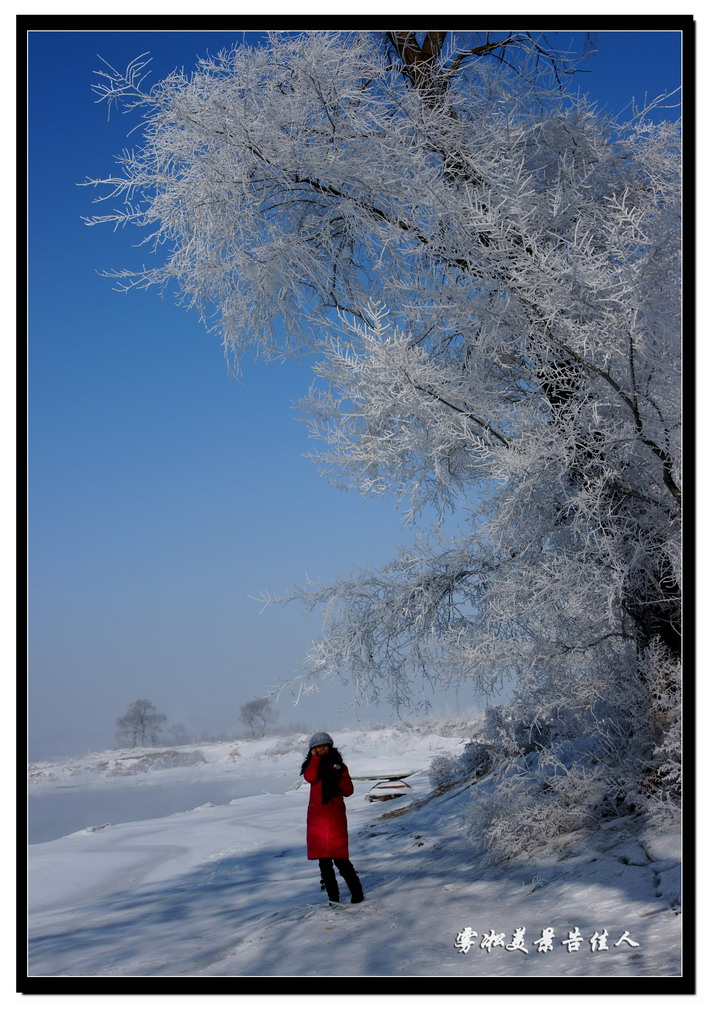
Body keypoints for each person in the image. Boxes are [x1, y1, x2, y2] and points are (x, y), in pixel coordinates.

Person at [300, 732, 364, 904]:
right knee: (325, 864)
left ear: (330, 746)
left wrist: (337, 777)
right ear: (312, 750)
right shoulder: (311, 765)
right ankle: (333, 898)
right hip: (318, 819)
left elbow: (348, 791)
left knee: (342, 860)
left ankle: (357, 894)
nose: (321, 749)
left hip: (335, 817)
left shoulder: (340, 766)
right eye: (317, 747)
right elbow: (311, 777)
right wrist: (314, 760)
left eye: (324, 745)